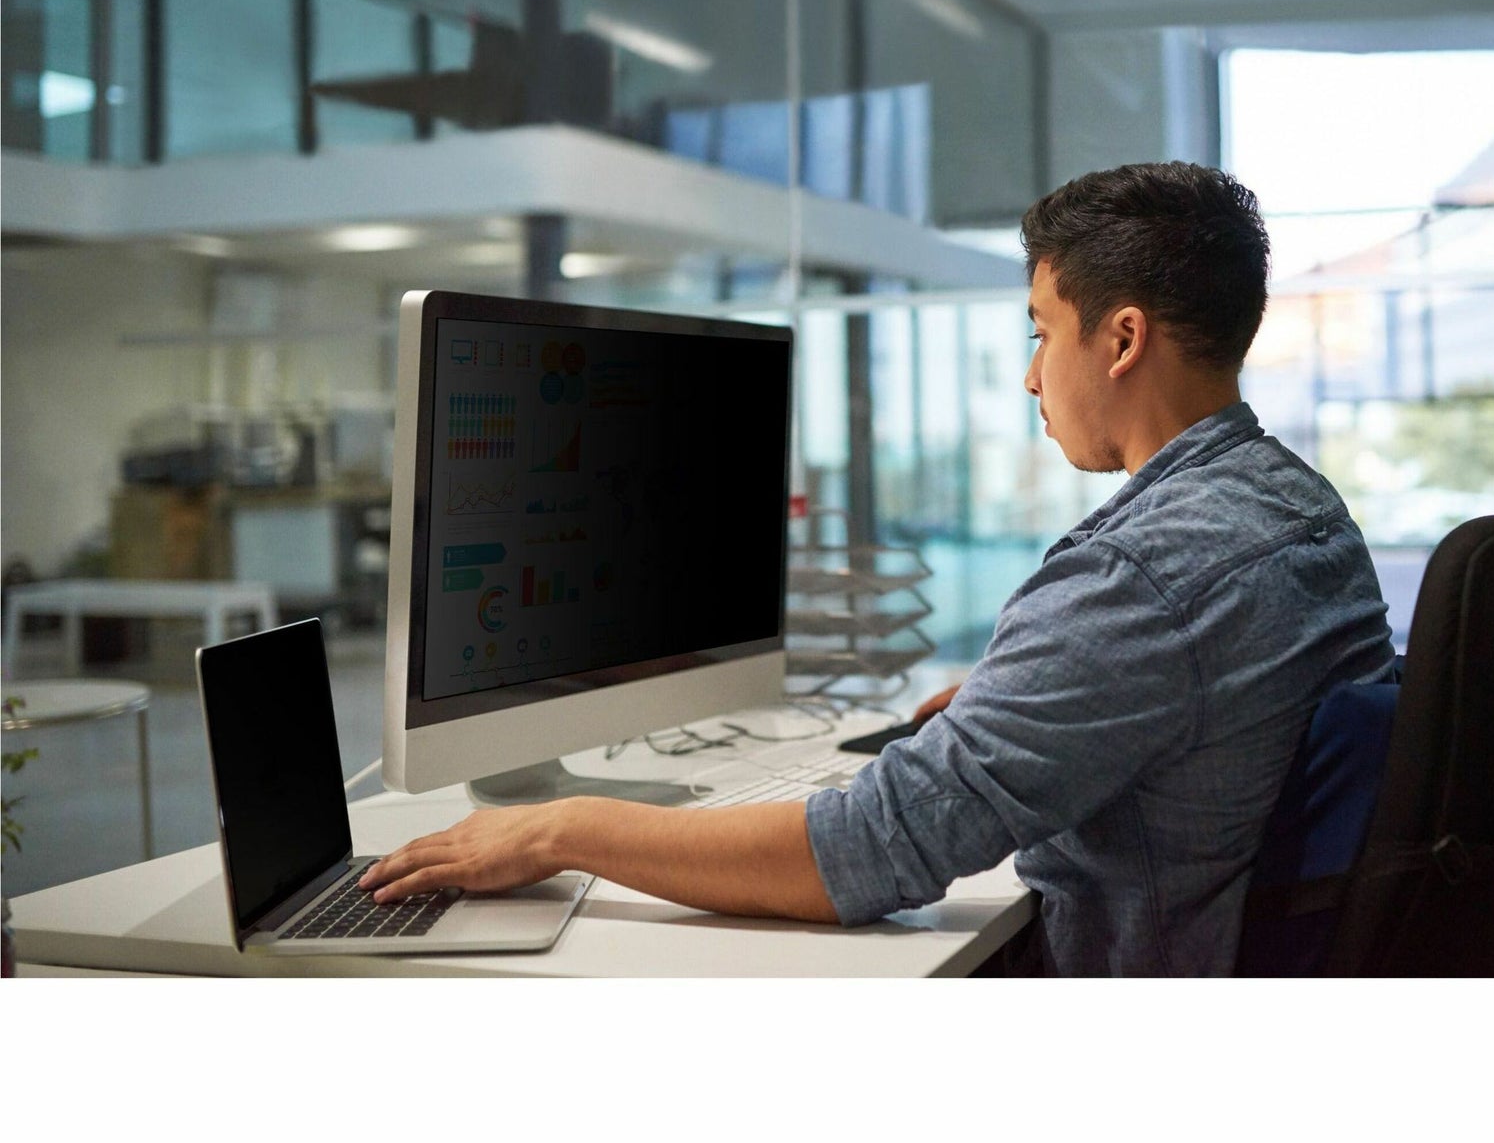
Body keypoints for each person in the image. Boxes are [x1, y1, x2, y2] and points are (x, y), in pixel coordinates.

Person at [362, 161, 1395, 974]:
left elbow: (862, 854)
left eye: (1041, 332)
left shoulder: (1137, 574)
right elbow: (1196, 705)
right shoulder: (1298, 508)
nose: (1033, 374)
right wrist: (1024, 706)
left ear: (1120, 339)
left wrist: (563, 828)